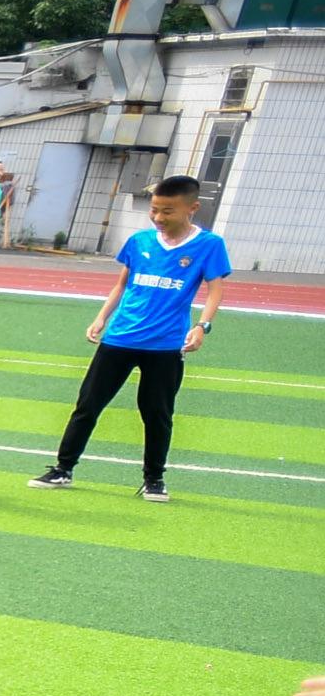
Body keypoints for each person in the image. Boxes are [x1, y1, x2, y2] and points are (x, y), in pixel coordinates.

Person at [27, 173, 230, 504]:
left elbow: (215, 290)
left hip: (166, 345)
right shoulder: (139, 242)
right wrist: (102, 317)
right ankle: (63, 469)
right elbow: (123, 283)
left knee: (156, 413)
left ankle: (154, 479)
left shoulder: (209, 245)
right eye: (155, 210)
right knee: (88, 406)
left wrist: (202, 327)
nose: (159, 217)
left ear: (192, 208)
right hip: (119, 339)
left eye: (168, 211)